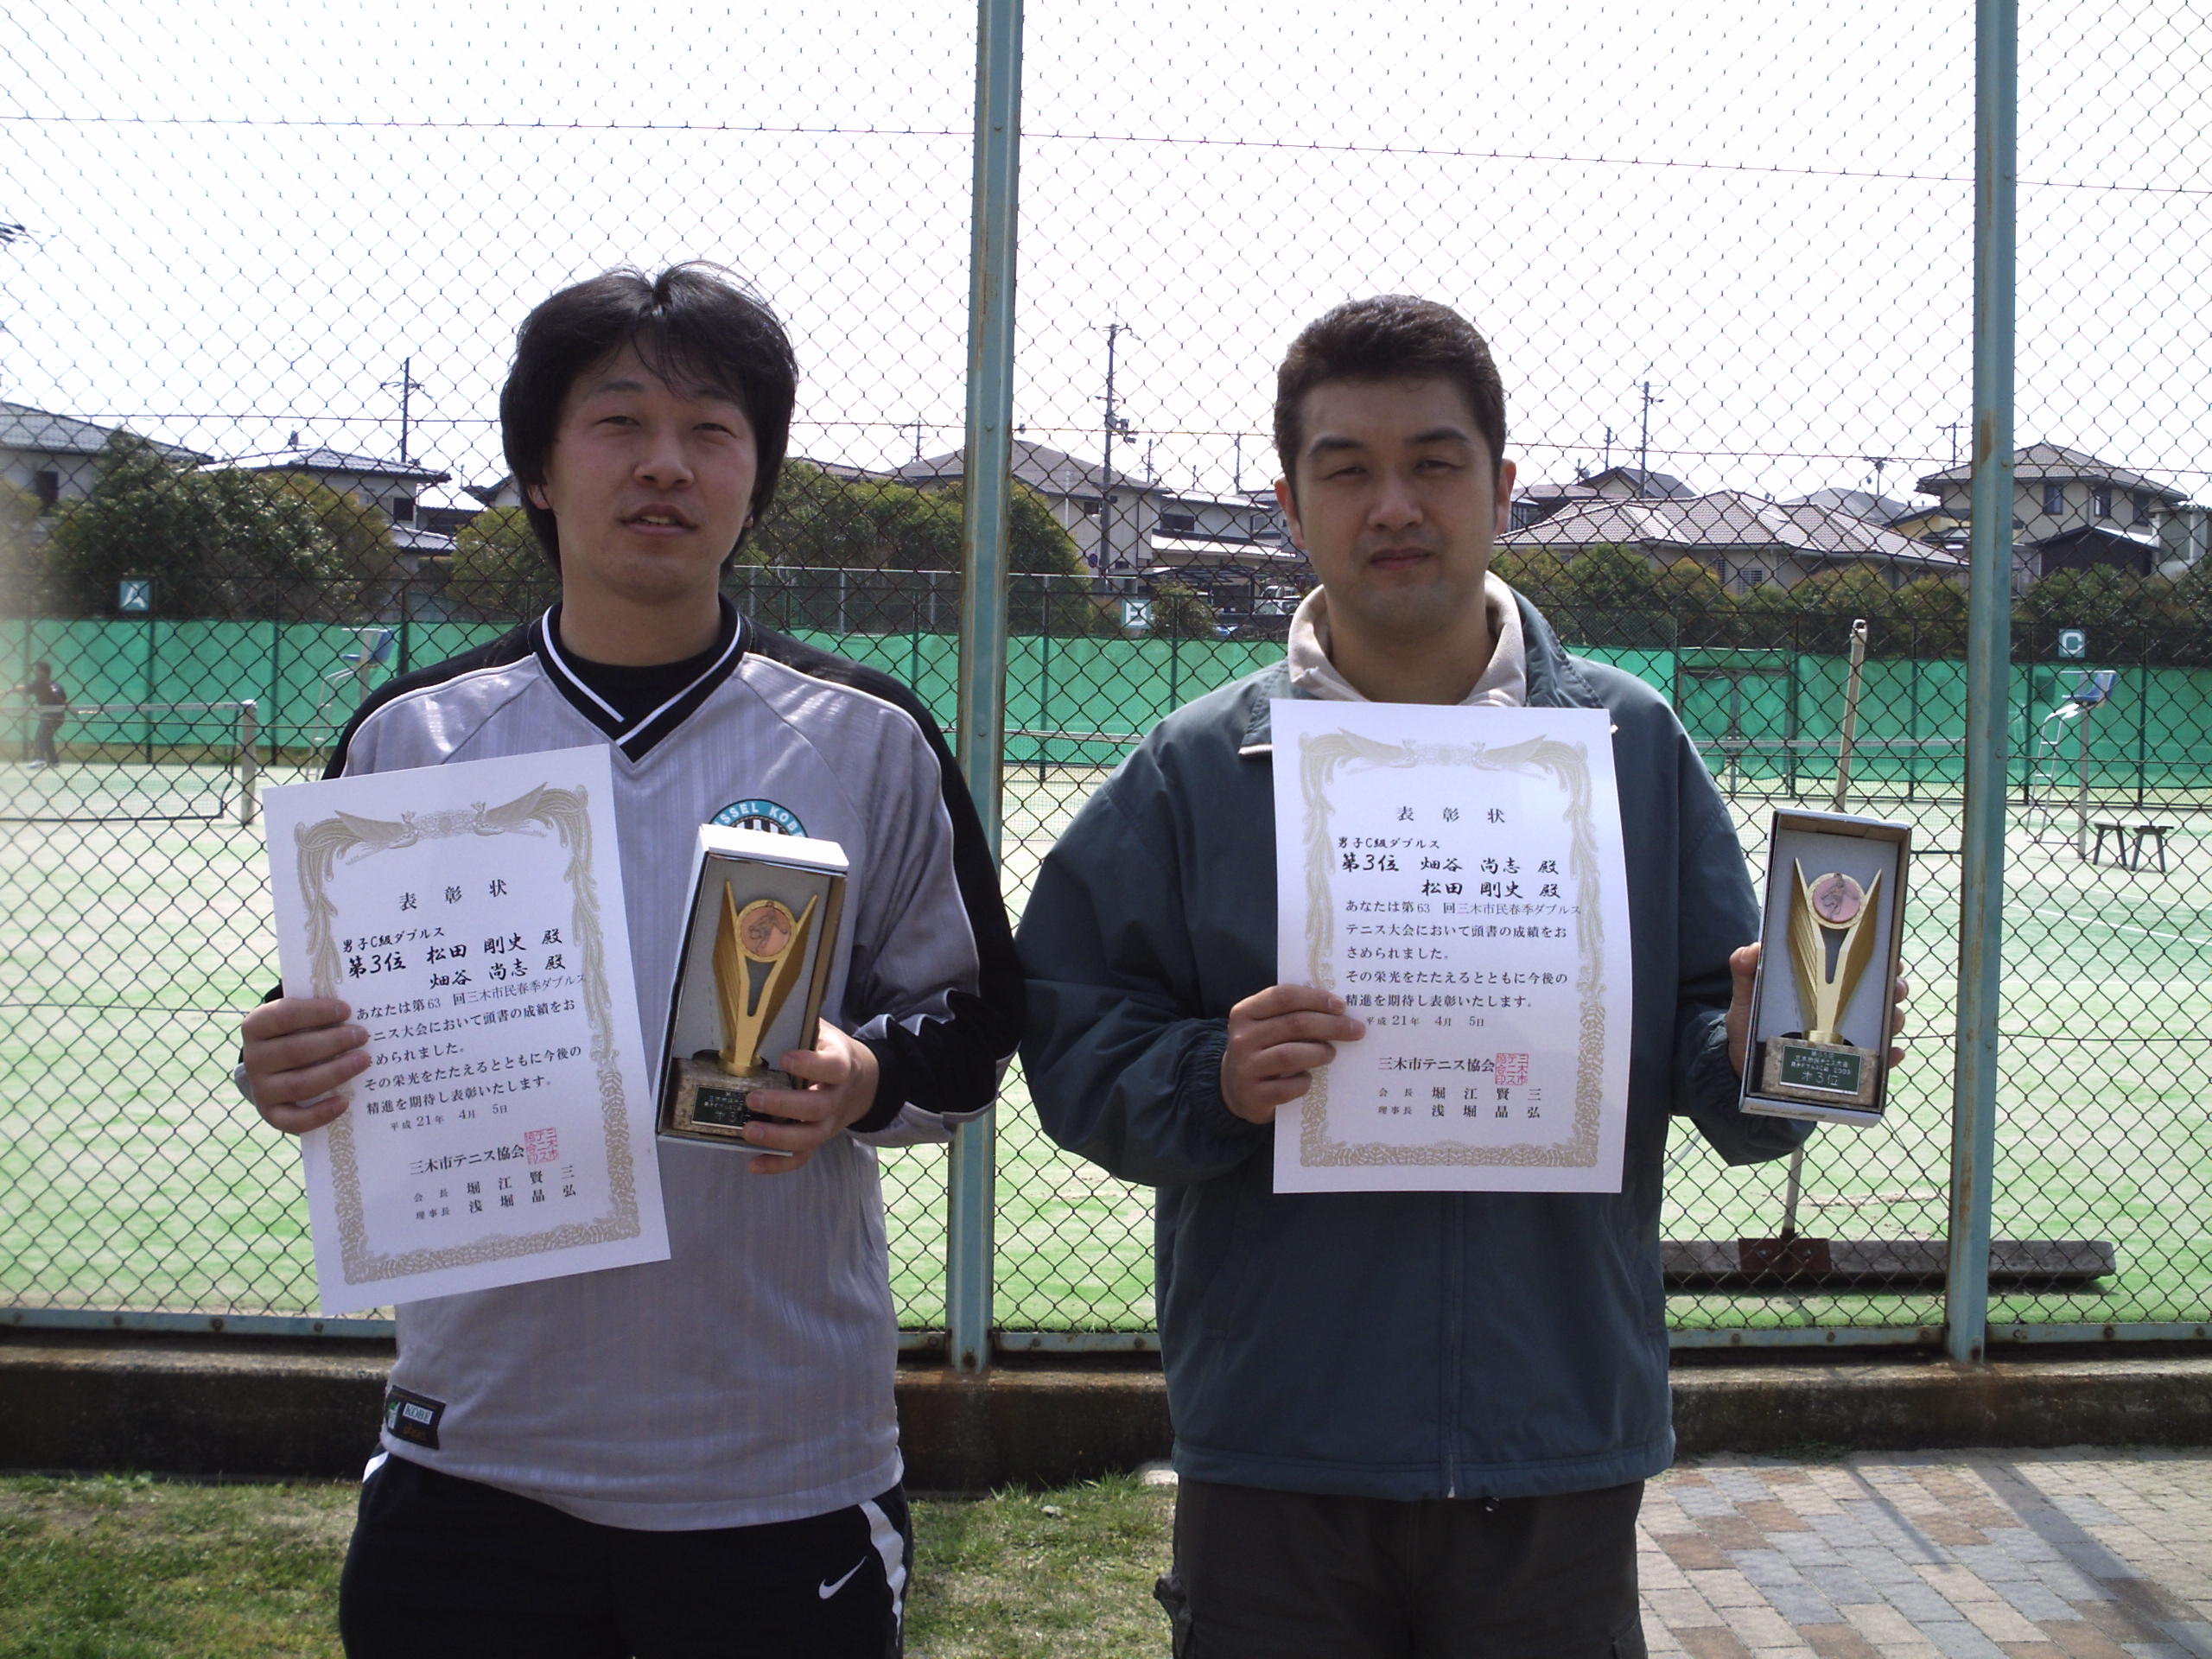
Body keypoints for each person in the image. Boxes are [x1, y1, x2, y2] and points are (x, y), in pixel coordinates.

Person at [1018, 296, 1902, 1659]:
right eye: (1347, 469)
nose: (1395, 505)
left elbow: (1703, 1035)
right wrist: (1212, 1076)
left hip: (1551, 1424)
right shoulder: (1195, 768)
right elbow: (1073, 1029)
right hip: (1281, 1435)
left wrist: (1775, 1045)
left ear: (1502, 488)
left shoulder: (1631, 745)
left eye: (1434, 463)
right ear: (1289, 504)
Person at [238, 264, 1021, 1658]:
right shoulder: (413, 738)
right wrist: (289, 1062)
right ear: (540, 470)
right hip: (474, 1453)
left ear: (756, 479)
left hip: (780, 1464)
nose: (666, 464)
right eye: (618, 422)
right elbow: (341, 1024)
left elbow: (974, 1024)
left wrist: (860, 1076)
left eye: (712, 430)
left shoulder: (867, 737)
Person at [11, 659, 66, 767]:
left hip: (49, 715)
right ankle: (54, 761)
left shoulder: (40, 683)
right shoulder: (57, 685)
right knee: (47, 736)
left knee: (41, 735)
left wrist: (8, 691)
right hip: (60, 716)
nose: (35, 672)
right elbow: (64, 700)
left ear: (43, 672)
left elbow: (23, 688)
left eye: (37, 670)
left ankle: (39, 758)